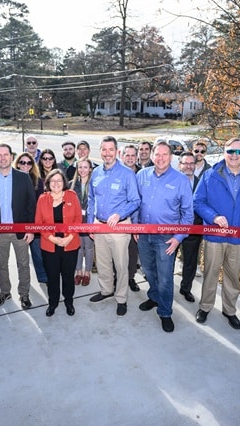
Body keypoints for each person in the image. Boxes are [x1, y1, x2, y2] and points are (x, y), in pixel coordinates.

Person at [194, 138, 240, 330]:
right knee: (210, 273)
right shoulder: (210, 175)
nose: (234, 156)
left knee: (232, 276)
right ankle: (205, 307)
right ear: (224, 152)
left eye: (238, 152)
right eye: (230, 151)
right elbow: (198, 201)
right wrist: (214, 217)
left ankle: (229, 310)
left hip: (239, 238)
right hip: (214, 237)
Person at [136, 141, 193, 332]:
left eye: (165, 154)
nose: (160, 158)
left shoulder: (181, 180)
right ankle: (154, 296)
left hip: (166, 238)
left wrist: (178, 237)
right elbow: (136, 203)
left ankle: (165, 311)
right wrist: (136, 227)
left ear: (171, 157)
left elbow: (188, 214)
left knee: (166, 277)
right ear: (152, 155)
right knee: (148, 270)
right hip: (144, 234)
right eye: (157, 154)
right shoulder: (142, 175)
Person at [87, 136, 140, 316]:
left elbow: (135, 201)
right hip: (99, 225)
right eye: (104, 149)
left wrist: (120, 214)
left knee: (121, 264)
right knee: (102, 263)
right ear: (100, 151)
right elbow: (91, 199)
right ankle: (106, 290)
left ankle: (121, 298)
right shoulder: (95, 173)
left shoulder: (127, 173)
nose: (107, 153)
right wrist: (90, 225)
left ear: (117, 152)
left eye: (111, 150)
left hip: (120, 227)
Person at [0, 144, 37, 309]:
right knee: (2, 264)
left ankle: (24, 295)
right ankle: (5, 292)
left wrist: (30, 229)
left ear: (11, 157)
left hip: (20, 231)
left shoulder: (23, 177)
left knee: (23, 264)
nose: (3, 158)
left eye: (6, 154)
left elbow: (30, 205)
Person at [35, 169, 82, 317]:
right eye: (53, 181)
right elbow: (39, 223)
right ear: (48, 183)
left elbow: (78, 220)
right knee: (52, 276)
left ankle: (69, 301)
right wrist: (53, 239)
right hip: (49, 245)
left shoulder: (72, 196)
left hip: (70, 243)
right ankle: (53, 303)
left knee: (68, 276)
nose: (56, 183)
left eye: (59, 181)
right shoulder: (42, 199)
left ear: (64, 182)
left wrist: (68, 238)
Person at [14, 152, 49, 285]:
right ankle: (23, 282)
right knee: (22, 258)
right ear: (17, 164)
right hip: (18, 223)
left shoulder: (38, 181)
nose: (25, 165)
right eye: (22, 162)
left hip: (35, 223)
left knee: (38, 253)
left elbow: (41, 203)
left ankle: (42, 276)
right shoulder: (12, 179)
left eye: (29, 162)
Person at [177, 151, 202, 303]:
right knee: (167, 259)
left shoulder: (201, 183)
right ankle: (165, 288)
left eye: (191, 163)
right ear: (179, 165)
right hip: (172, 228)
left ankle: (186, 288)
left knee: (190, 262)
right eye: (185, 163)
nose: (188, 166)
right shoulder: (172, 180)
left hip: (194, 228)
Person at [70, 158, 94, 286]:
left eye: (86, 167)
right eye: (80, 167)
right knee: (78, 248)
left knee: (89, 248)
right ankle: (78, 271)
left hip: (89, 221)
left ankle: (87, 273)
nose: (82, 170)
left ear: (90, 169)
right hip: (76, 223)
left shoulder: (94, 184)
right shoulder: (71, 185)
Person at [121, 144, 142, 292]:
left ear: (137, 156)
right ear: (122, 156)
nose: (130, 158)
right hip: (120, 220)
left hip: (137, 220)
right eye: (127, 155)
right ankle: (118, 277)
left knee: (132, 252)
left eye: (133, 155)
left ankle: (130, 277)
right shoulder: (117, 173)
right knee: (118, 252)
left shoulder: (143, 174)